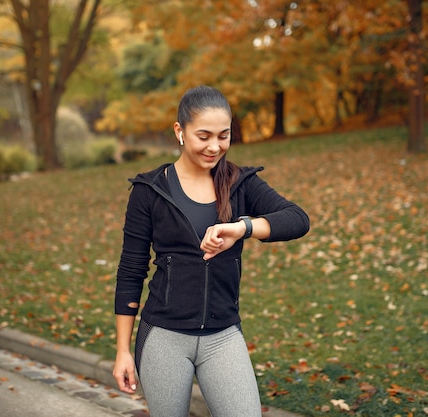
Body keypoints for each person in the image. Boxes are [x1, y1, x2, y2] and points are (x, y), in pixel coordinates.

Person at [113, 85, 310, 417]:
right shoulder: (149, 191)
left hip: (223, 336)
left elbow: (297, 219)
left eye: (224, 135)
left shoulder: (240, 183)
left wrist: (241, 228)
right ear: (180, 131)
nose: (215, 146)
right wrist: (122, 351)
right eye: (203, 136)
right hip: (164, 336)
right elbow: (131, 272)